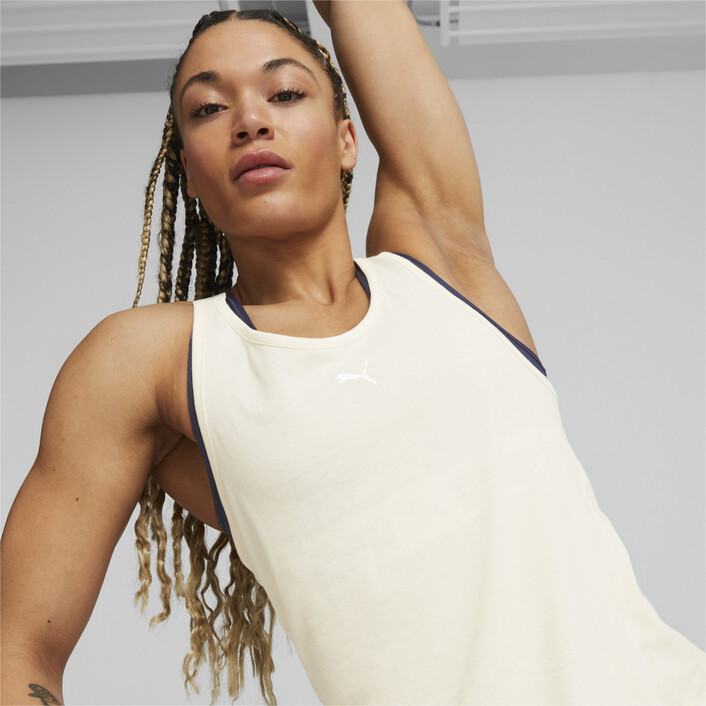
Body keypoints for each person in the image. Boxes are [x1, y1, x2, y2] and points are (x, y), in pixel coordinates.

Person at [1, 2, 704, 705]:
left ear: (347, 139)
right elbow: (18, 647)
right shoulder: (155, 362)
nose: (250, 120)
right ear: (188, 171)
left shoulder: (442, 264)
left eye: (284, 92)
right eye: (210, 108)